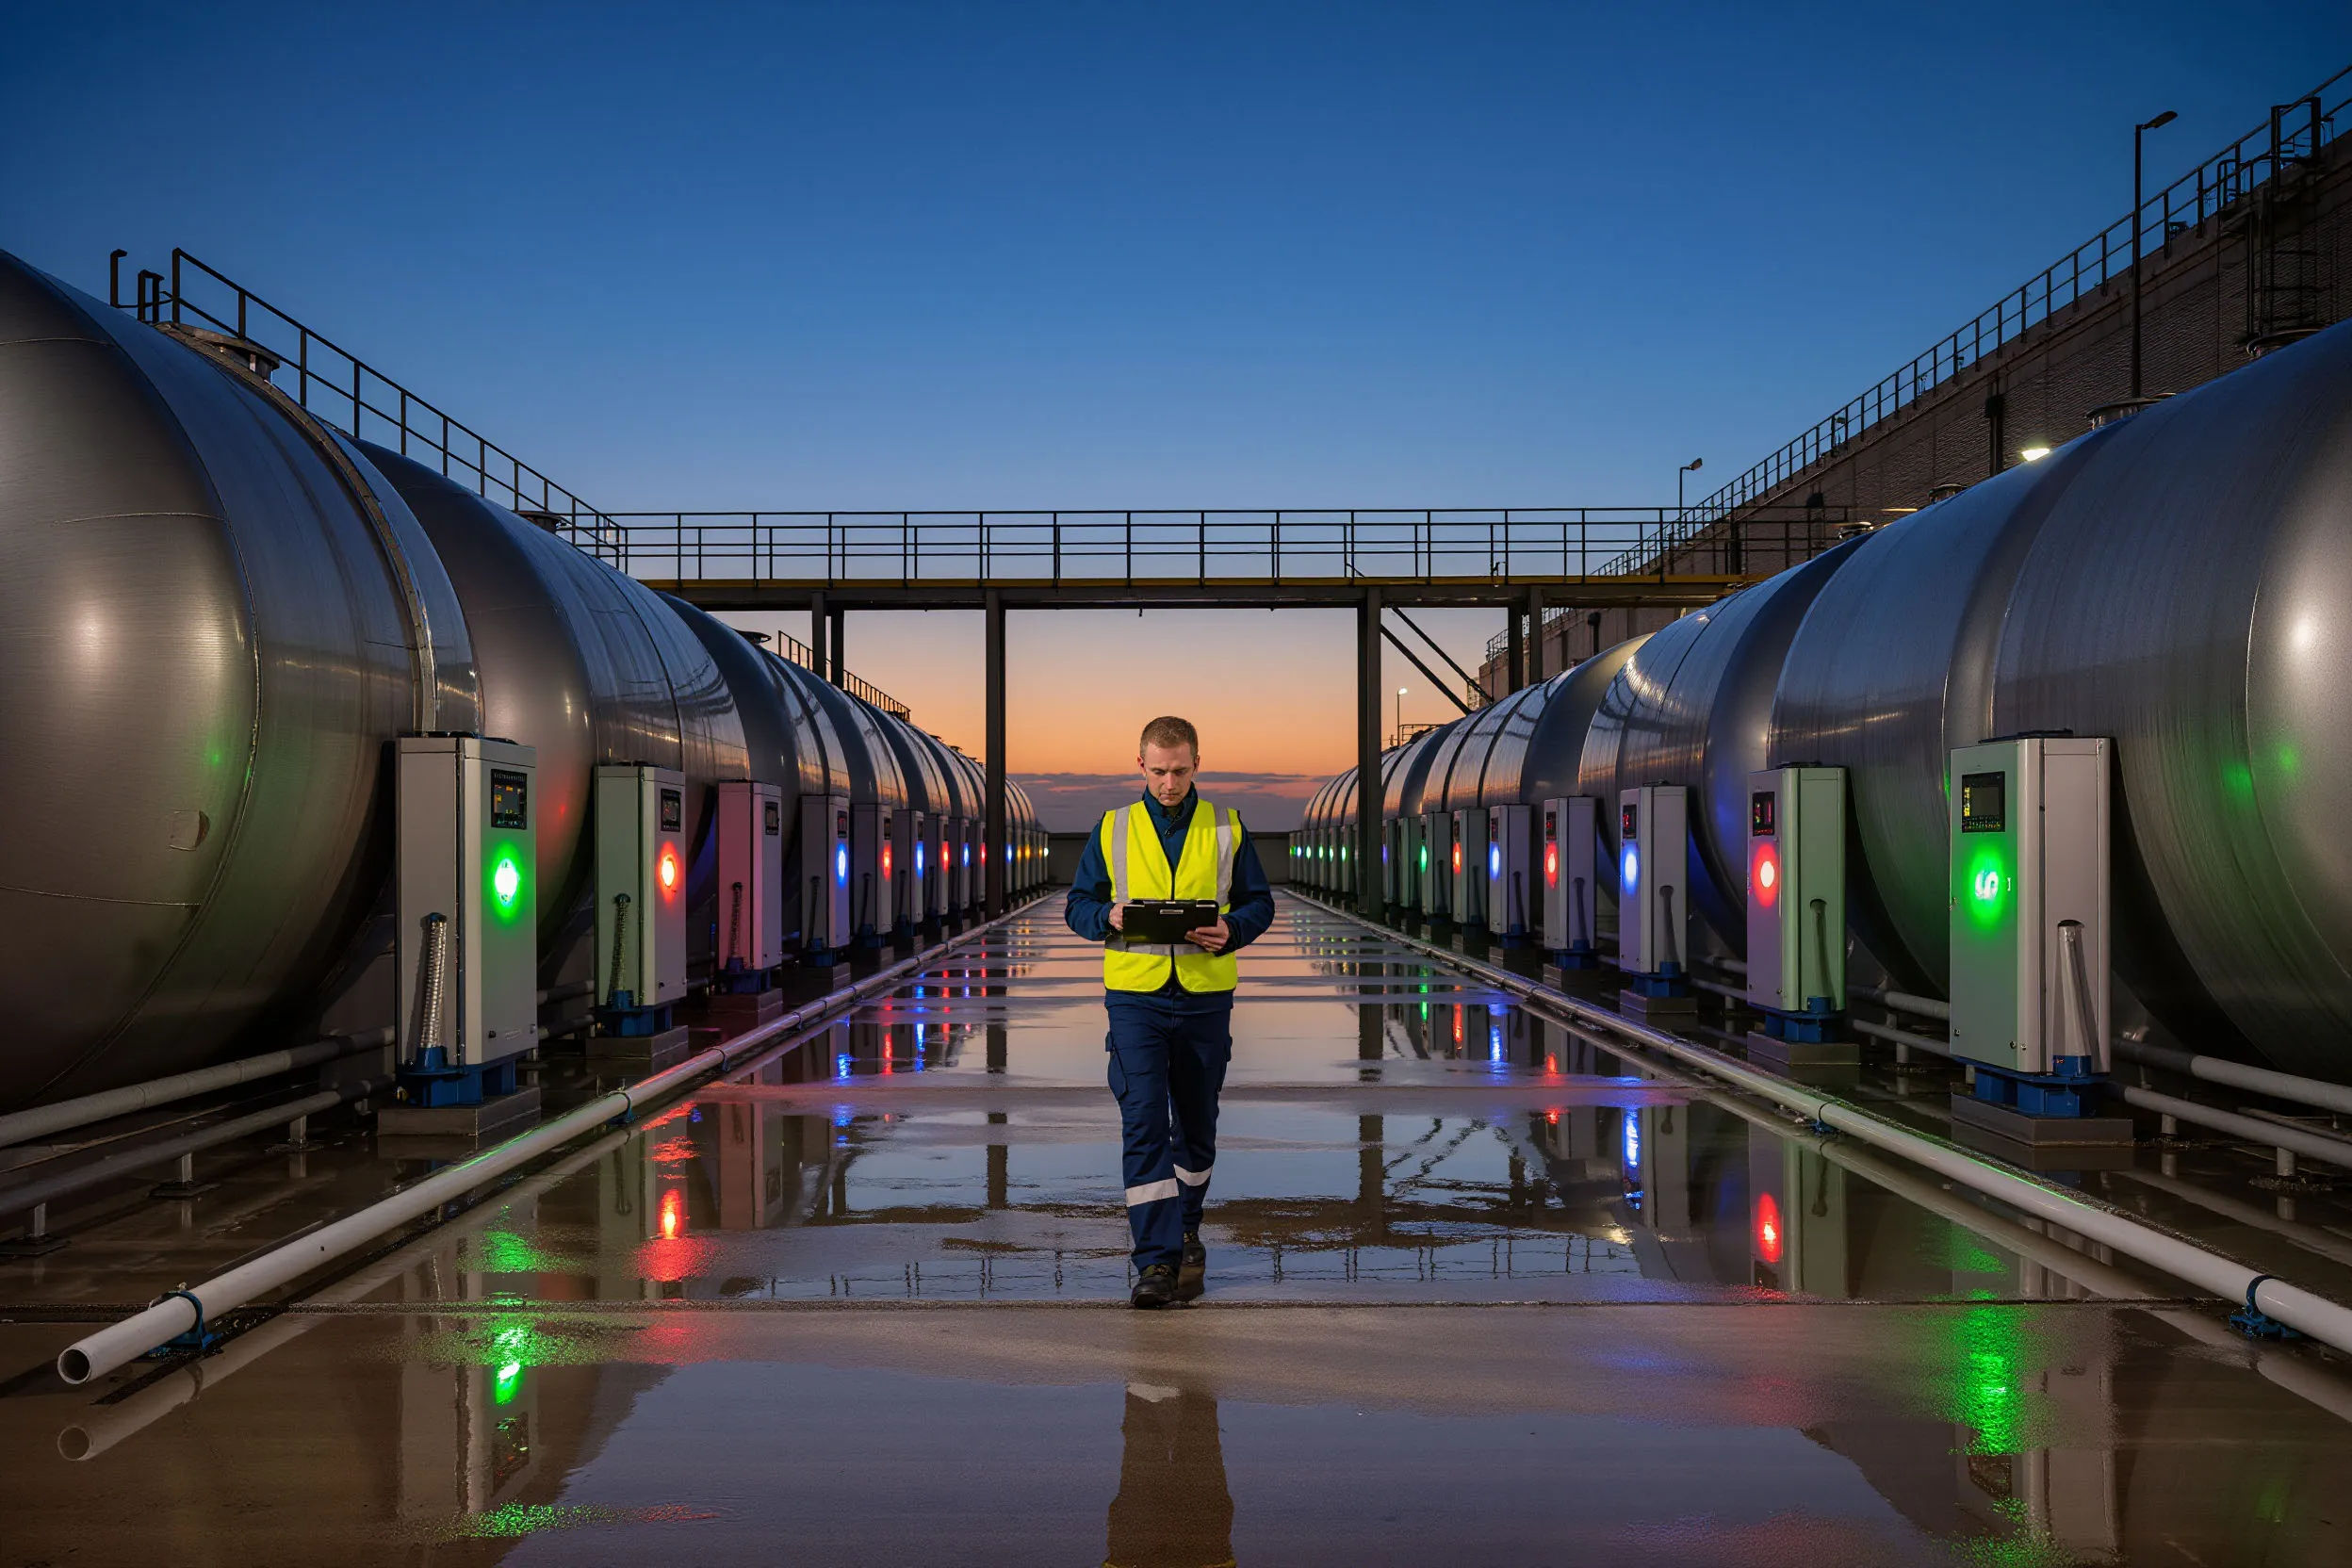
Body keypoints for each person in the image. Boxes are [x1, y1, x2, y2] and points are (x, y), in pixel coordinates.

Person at [1066, 715, 1275, 1308]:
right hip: (1136, 998)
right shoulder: (1113, 827)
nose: (1168, 783)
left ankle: (1186, 1224)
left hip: (1206, 996)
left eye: (1179, 770)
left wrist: (1231, 929)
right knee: (1143, 1124)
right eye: (1158, 771)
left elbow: (1260, 903)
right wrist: (1104, 916)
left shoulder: (1226, 826)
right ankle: (1155, 1262)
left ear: (1197, 764)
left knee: (1198, 1124)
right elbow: (1078, 904)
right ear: (1140, 766)